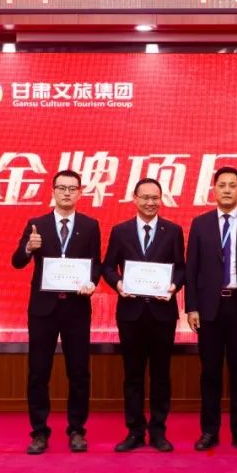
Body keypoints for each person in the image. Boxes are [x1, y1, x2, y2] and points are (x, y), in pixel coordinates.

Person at [11, 170, 101, 455]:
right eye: (61, 188)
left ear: (80, 192)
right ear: (52, 191)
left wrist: (92, 282)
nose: (66, 193)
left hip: (76, 308)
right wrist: (28, 247)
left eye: (72, 188)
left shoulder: (90, 226)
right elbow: (17, 262)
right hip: (43, 310)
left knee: (79, 372)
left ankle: (77, 430)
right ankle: (39, 431)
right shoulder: (36, 225)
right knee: (39, 372)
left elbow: (95, 264)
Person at [185, 166, 237, 452]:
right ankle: (209, 431)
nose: (227, 190)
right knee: (210, 372)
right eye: (222, 185)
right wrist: (192, 307)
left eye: (233, 185)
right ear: (214, 190)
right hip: (209, 309)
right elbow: (192, 268)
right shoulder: (200, 223)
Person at [101, 178, 186, 453]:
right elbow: (107, 267)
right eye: (145, 197)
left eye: (155, 198)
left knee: (161, 375)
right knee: (133, 375)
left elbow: (181, 268)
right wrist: (118, 284)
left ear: (161, 199)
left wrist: (173, 286)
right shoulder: (121, 231)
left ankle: (158, 432)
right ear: (135, 199)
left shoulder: (173, 231)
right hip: (131, 314)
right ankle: (135, 431)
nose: (151, 202)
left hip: (162, 314)